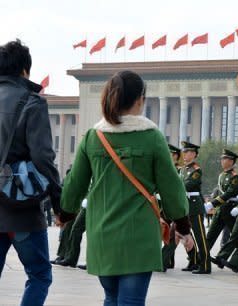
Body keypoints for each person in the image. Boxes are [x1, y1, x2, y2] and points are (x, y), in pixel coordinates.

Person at [60, 70, 193, 305]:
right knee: (131, 301)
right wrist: (182, 223)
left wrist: (65, 213)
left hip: (102, 235)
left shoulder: (93, 137)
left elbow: (74, 186)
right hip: (138, 236)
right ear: (140, 99)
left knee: (111, 298)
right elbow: (172, 187)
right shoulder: (152, 137)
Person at [0, 39, 73, 306]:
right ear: (24, 71)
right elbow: (44, 159)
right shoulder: (32, 103)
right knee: (40, 274)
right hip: (20, 208)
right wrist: (59, 205)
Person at [161, 144, 198, 272]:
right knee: (179, 233)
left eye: (172, 154)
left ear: (176, 157)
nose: (169, 157)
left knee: (177, 233)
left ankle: (164, 261)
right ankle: (191, 260)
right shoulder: (177, 169)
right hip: (170, 203)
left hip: (179, 205)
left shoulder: (179, 169)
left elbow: (178, 187)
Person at [204, 149, 238, 267]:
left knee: (235, 237)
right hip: (221, 209)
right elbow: (219, 192)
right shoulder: (221, 175)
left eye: (225, 159)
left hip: (230, 209)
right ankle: (200, 258)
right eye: (222, 159)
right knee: (211, 235)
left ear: (231, 161)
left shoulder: (235, 177)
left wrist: (213, 203)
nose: (222, 161)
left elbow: (229, 193)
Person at [179, 141, 209, 274]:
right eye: (184, 152)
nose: (185, 154)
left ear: (194, 154)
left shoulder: (196, 170)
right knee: (186, 236)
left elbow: (187, 185)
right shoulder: (183, 169)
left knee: (200, 237)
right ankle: (193, 261)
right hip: (185, 206)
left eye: (188, 152)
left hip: (195, 207)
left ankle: (206, 265)